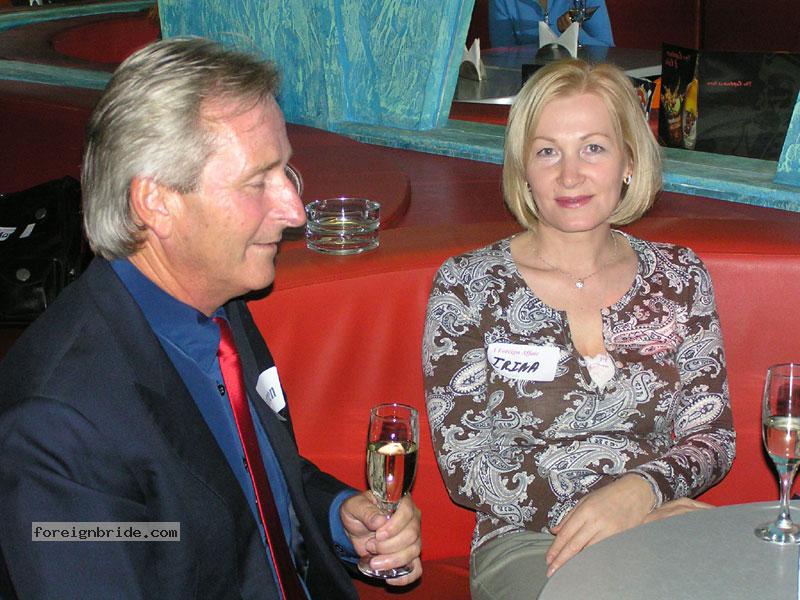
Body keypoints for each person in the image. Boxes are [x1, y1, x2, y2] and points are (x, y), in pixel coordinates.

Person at [0, 37, 421, 599]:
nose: (294, 210)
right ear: (156, 203)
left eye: (286, 172)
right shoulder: (56, 428)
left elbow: (245, 482)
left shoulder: (216, 304)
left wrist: (338, 517)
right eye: (258, 182)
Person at [422, 59, 734, 599]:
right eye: (547, 152)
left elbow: (712, 435)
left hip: (657, 518)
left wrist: (640, 493)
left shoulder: (680, 276)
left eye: (593, 148)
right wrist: (609, 511)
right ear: (523, 170)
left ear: (629, 162)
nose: (570, 175)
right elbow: (467, 463)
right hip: (532, 539)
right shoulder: (468, 286)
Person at [489, 0, 614, 48]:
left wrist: (575, 34)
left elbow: (609, 52)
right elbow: (503, 57)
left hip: (583, 81)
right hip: (529, 84)